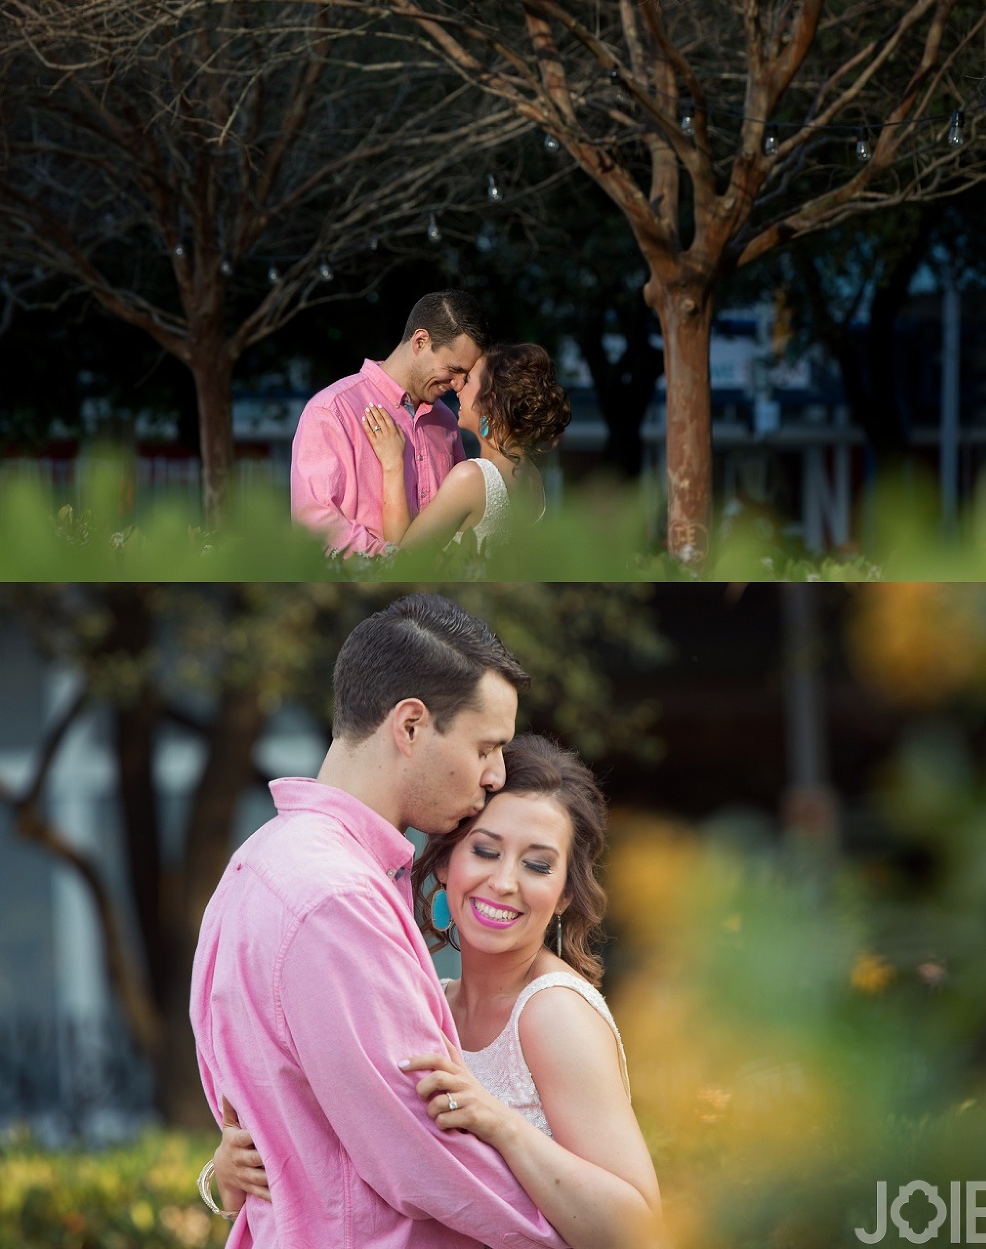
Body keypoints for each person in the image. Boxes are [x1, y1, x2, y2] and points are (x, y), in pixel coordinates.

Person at [190, 592, 568, 1248]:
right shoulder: (334, 898)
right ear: (412, 725)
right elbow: (425, 1151)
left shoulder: (254, 867)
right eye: (486, 746)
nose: (495, 775)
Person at [212, 735, 663, 1249]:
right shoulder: (430, 999)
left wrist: (503, 1126)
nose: (504, 882)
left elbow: (640, 1232)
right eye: (486, 851)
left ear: (564, 895)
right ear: (447, 864)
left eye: (537, 865)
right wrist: (231, 1173)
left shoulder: (553, 1011)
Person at [290, 290, 488, 557]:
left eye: (465, 375)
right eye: (453, 370)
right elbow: (313, 520)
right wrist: (388, 561)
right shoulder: (332, 410)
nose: (458, 385)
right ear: (420, 341)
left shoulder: (446, 421)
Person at [361, 342, 571, 562]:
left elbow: (402, 562)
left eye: (468, 379)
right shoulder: (532, 475)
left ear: (489, 402)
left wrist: (393, 463)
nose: (457, 386)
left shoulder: (472, 478)